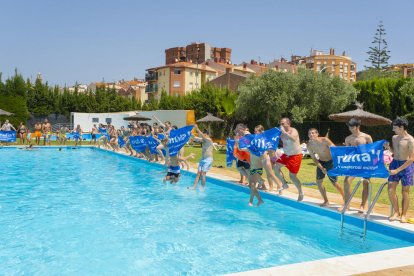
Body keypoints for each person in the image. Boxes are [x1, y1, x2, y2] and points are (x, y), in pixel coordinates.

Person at [307, 128, 345, 206]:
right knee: (319, 182)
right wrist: (321, 168)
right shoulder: (309, 145)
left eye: (313, 133)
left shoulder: (325, 140)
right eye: (309, 133)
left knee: (334, 183)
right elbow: (314, 158)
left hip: (331, 162)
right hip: (321, 162)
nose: (311, 135)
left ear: (317, 134)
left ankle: (345, 199)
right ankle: (326, 201)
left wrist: (337, 162)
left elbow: (335, 149)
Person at [342, 118, 373, 213]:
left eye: (352, 127)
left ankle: (362, 205)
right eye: (349, 127)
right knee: (346, 181)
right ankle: (347, 205)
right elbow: (347, 153)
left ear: (358, 126)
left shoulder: (367, 137)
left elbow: (372, 150)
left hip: (365, 164)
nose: (350, 129)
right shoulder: (348, 138)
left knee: (365, 183)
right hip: (354, 164)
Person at [387, 118, 414, 223]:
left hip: (406, 166)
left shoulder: (411, 140)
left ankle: (403, 215)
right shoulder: (394, 138)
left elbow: (412, 158)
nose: (393, 129)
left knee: (405, 191)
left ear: (401, 128)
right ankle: (396, 212)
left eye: (395, 127)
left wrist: (397, 170)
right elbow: (395, 152)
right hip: (395, 163)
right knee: (390, 189)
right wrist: (389, 148)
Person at [274, 118, 304, 201]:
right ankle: (284, 184)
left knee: (292, 176)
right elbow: (273, 140)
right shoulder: (281, 133)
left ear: (288, 123)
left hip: (295, 155)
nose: (281, 125)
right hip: (286, 155)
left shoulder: (293, 130)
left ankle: (301, 192)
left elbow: (293, 139)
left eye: (283, 123)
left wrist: (284, 132)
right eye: (280, 124)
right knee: (276, 167)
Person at [190, 124, 216, 190]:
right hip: (202, 159)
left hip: (208, 159)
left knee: (203, 174)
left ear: (207, 135)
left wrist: (197, 128)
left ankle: (202, 188)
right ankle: (194, 187)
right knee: (198, 173)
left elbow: (203, 137)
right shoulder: (203, 140)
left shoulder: (209, 140)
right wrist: (189, 132)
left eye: (204, 134)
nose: (203, 136)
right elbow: (194, 138)